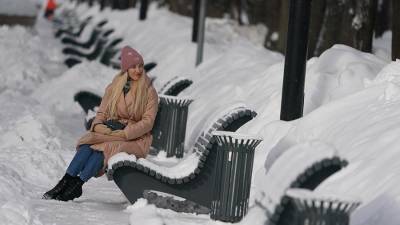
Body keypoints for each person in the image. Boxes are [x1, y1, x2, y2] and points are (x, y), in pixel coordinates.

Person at [43, 46, 159, 201]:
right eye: (133, 66)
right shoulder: (114, 87)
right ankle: (65, 181)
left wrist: (126, 133)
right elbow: (102, 112)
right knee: (87, 142)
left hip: (135, 139)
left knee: (103, 147)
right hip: (113, 131)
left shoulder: (149, 91)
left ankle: (78, 184)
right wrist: (98, 126)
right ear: (125, 69)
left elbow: (148, 122)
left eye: (140, 66)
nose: (138, 70)